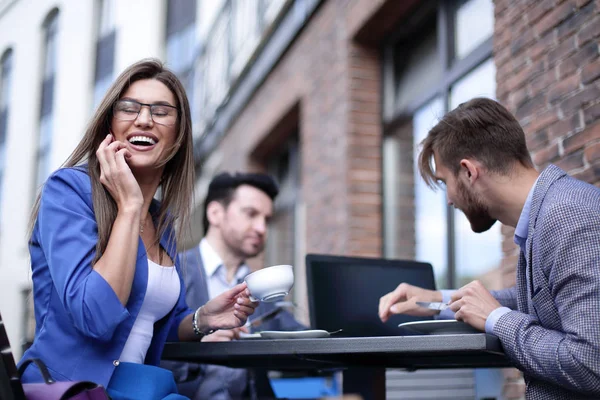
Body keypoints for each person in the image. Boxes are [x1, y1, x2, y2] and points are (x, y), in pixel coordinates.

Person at [18, 59, 257, 400]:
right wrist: (129, 207)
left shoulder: (162, 222)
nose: (144, 119)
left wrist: (203, 318)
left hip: (139, 388)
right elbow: (95, 317)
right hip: (74, 389)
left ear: (178, 135)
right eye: (128, 108)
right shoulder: (69, 192)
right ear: (110, 126)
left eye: (161, 111)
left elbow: (152, 324)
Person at [379, 97, 600, 399]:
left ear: (469, 172)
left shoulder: (565, 216)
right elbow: (542, 301)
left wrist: (498, 320)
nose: (449, 201)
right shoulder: (546, 214)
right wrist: (438, 302)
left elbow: (591, 363)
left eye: (445, 183)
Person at [163, 172, 306, 400]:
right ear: (215, 213)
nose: (261, 228)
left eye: (267, 220)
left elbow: (305, 339)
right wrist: (199, 344)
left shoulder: (263, 285)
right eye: (251, 214)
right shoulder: (171, 270)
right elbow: (145, 344)